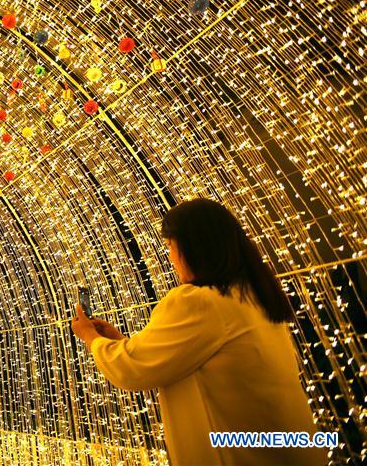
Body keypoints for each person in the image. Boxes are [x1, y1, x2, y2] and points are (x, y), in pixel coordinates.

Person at [71, 198, 325, 465]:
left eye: (170, 246)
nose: (169, 258)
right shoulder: (252, 295)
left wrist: (90, 336)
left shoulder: (198, 302)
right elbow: (183, 358)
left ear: (195, 247)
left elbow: (132, 369)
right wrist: (121, 341)